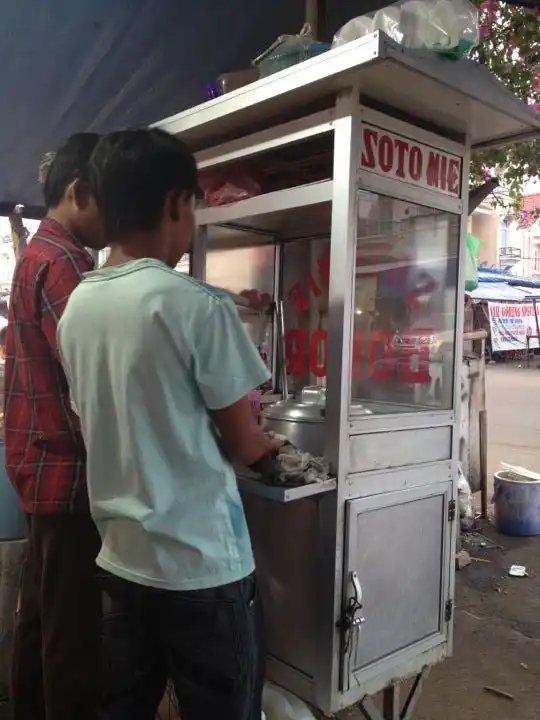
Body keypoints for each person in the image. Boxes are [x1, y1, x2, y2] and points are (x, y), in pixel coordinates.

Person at [57, 128, 276, 720]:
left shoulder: (77, 308)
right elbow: (248, 444)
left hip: (124, 562)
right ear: (178, 204)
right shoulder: (197, 304)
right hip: (203, 570)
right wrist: (272, 447)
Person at [4, 133, 106, 720]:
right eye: (110, 204)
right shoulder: (65, 264)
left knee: (41, 620)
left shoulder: (37, 253)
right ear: (78, 191)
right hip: (66, 476)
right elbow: (93, 376)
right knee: (74, 640)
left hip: (35, 467)